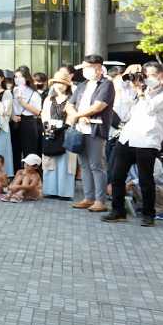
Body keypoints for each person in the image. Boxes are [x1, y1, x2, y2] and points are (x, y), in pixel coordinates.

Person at [102, 62, 163, 227]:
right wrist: (130, 73)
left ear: (162, 76)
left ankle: (149, 214)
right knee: (117, 176)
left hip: (147, 140)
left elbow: (149, 108)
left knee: (146, 179)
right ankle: (118, 211)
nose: (146, 79)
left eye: (150, 75)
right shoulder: (140, 90)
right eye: (145, 75)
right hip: (127, 138)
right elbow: (122, 91)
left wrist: (140, 92)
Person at [66, 54, 115, 212]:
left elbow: (98, 107)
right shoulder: (82, 86)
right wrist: (77, 116)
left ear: (99, 67)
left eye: (88, 67)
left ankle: (101, 201)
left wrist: (78, 115)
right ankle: (89, 197)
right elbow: (69, 104)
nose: (85, 70)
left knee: (96, 164)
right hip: (80, 129)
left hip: (96, 129)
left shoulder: (106, 85)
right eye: (84, 67)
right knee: (84, 165)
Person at [40, 75, 74, 200]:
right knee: (50, 161)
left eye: (61, 83)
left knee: (65, 162)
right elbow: (44, 113)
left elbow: (73, 115)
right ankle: (50, 190)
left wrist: (65, 126)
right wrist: (45, 124)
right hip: (50, 131)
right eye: (56, 83)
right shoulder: (49, 99)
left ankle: (65, 192)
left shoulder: (71, 99)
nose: (58, 86)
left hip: (65, 132)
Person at [9, 65, 43, 170]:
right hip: (14, 121)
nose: (18, 78)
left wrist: (22, 103)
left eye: (21, 76)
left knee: (29, 149)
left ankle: (32, 174)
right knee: (15, 150)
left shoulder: (33, 92)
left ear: (26, 77)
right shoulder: (12, 91)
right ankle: (16, 173)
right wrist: (12, 116)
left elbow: (37, 111)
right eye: (16, 76)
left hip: (28, 121)